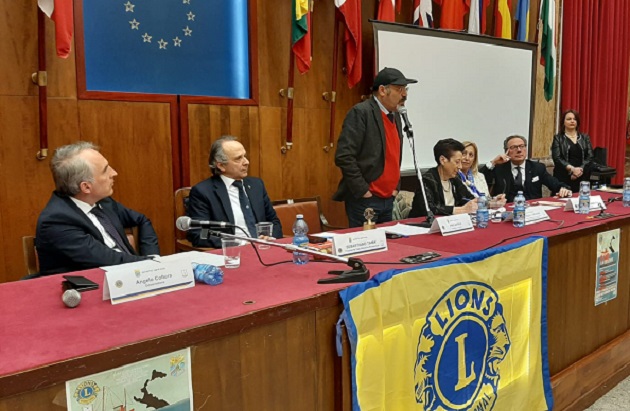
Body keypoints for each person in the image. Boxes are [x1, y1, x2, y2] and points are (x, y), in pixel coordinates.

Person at [36, 142, 160, 276]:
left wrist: (153, 256)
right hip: (92, 284)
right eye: (105, 170)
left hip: (130, 275)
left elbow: (141, 220)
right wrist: (153, 265)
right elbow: (109, 260)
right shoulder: (57, 221)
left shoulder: (103, 201)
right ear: (86, 187)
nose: (114, 173)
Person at [333, 67, 418, 227]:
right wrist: (363, 190)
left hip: (389, 197)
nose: (404, 95)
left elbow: (393, 154)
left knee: (389, 241)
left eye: (405, 89)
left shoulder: (397, 115)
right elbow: (344, 156)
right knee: (367, 242)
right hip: (366, 200)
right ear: (382, 90)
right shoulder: (361, 113)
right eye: (399, 89)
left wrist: (395, 188)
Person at [187, 136, 282, 248]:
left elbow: (274, 222)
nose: (246, 162)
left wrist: (269, 238)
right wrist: (240, 244)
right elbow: (199, 234)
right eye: (238, 159)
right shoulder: (203, 192)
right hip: (233, 252)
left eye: (244, 156)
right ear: (221, 165)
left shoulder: (257, 185)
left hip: (264, 249)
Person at [481, 135, 572, 202]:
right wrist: (493, 162)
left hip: (533, 210)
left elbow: (555, 184)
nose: (519, 150)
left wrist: (564, 189)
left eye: (522, 146)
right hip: (506, 210)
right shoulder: (499, 169)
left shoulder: (537, 168)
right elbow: (479, 178)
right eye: (514, 147)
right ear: (506, 151)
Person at [409, 139, 478, 217]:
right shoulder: (427, 180)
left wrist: (481, 202)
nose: (460, 166)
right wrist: (461, 210)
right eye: (457, 162)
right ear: (442, 160)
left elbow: (469, 198)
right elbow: (429, 208)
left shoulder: (454, 178)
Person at [551, 109, 595, 192]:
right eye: (569, 119)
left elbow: (590, 156)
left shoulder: (585, 138)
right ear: (563, 122)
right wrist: (572, 170)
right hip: (563, 177)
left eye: (574, 119)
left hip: (582, 176)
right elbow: (557, 158)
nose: (572, 121)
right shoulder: (558, 138)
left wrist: (579, 170)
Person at [459, 140, 506, 207]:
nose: (467, 158)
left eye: (471, 155)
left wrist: (495, 199)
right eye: (464, 154)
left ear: (474, 159)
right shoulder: (453, 177)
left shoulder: (480, 176)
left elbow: (487, 198)